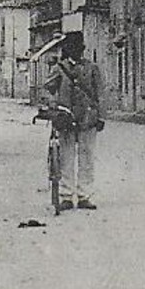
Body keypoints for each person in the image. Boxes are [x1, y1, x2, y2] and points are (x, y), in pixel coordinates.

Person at [41, 32, 104, 209]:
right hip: (66, 118)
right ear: (67, 50)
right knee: (66, 157)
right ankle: (66, 195)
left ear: (82, 50)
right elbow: (48, 89)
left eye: (78, 48)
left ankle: (84, 195)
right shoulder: (59, 69)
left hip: (88, 118)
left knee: (87, 157)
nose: (75, 51)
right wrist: (53, 105)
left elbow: (100, 94)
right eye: (71, 48)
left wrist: (101, 117)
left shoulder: (92, 68)